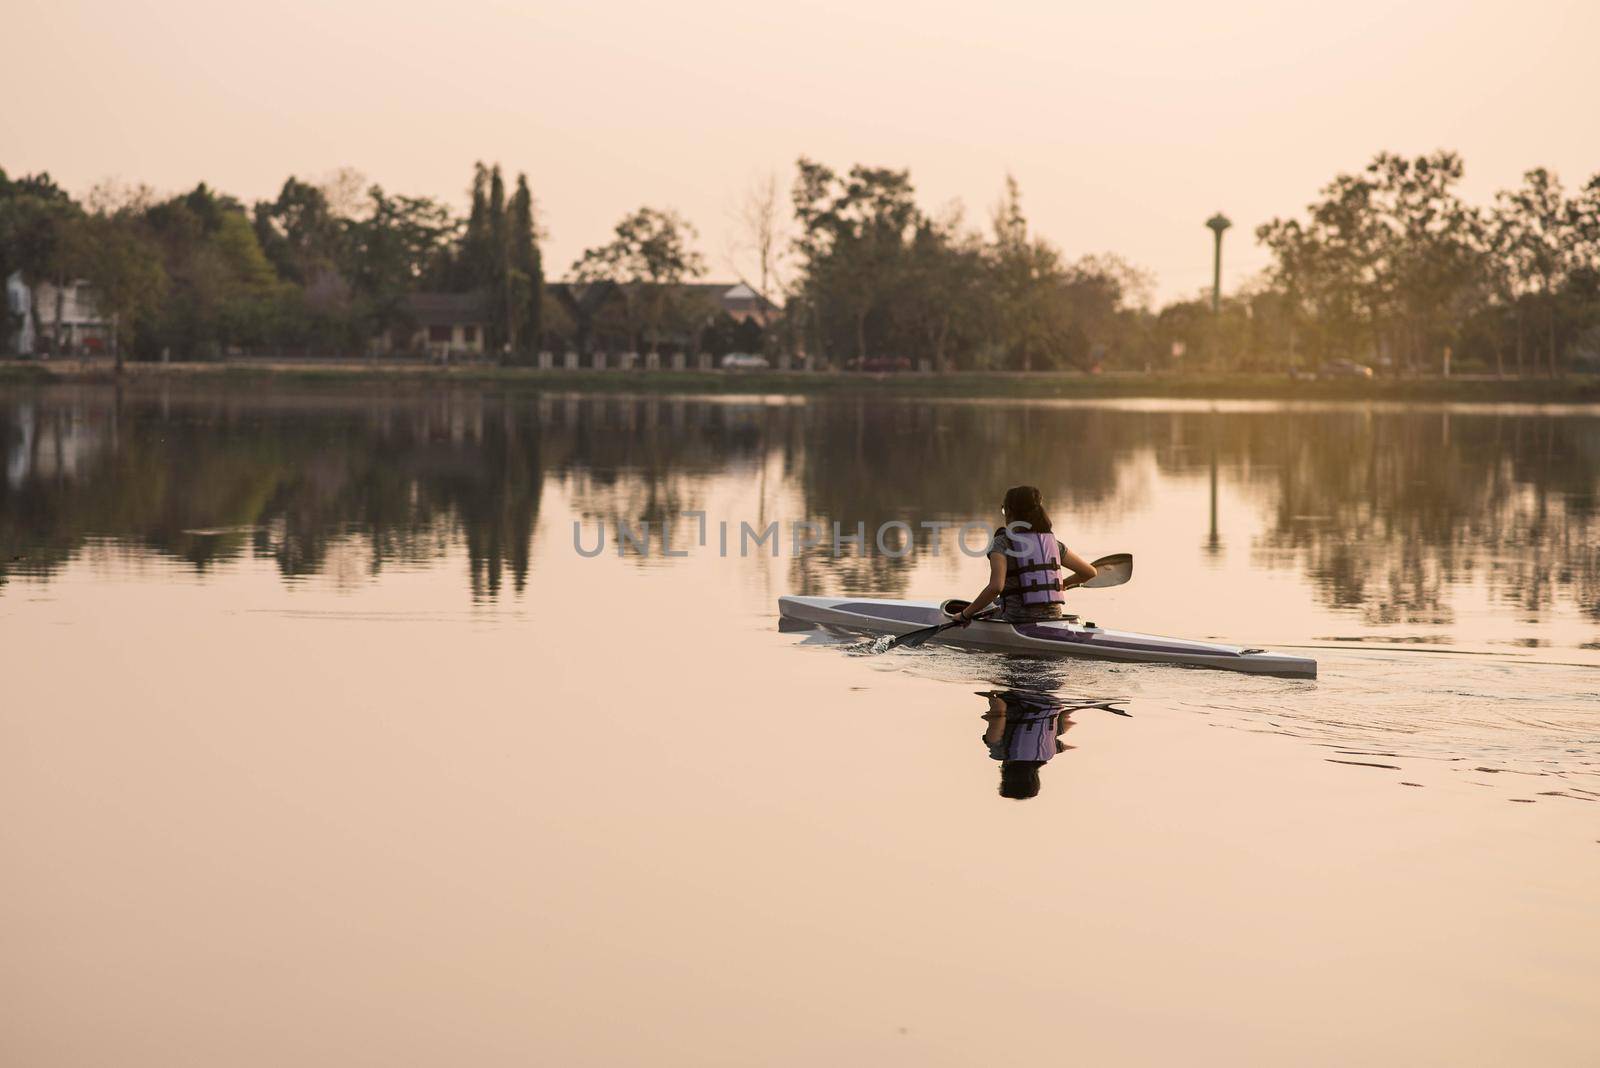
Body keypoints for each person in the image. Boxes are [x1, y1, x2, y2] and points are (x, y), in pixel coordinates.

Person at [956, 485, 1097, 625]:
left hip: (1017, 619)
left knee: (989, 605)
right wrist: (1062, 584)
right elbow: (1090, 572)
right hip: (1054, 618)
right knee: (995, 603)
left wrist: (964, 615)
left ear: (1010, 512)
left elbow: (995, 588)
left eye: (1004, 509)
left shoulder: (1002, 542)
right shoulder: (1052, 542)